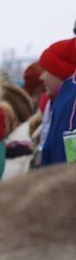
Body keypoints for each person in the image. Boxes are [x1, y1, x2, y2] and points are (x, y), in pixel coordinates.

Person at [37, 37, 76, 168]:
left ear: (59, 70)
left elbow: (70, 159)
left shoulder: (71, 100)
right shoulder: (58, 101)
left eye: (44, 70)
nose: (41, 77)